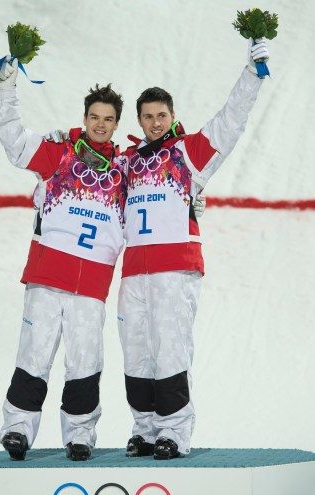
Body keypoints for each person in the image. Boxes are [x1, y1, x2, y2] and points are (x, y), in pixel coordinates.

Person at [118, 38, 271, 459]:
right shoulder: (126, 162)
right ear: (139, 119)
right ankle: (145, 429)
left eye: (161, 115)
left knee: (170, 347)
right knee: (136, 349)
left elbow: (229, 122)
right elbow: (84, 182)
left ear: (172, 116)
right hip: (134, 271)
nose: (154, 122)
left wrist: (251, 76)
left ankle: (174, 432)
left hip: (174, 267)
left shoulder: (187, 154)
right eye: (147, 117)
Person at [0, 56, 127, 461]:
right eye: (94, 116)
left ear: (117, 123)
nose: (100, 124)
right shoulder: (59, 155)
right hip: (48, 275)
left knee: (85, 360)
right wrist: (6, 88)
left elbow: (165, 188)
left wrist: (189, 202)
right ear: (84, 118)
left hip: (91, 285)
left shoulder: (126, 169)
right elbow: (14, 139)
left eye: (108, 118)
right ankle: (17, 428)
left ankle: (80, 435)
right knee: (34, 352)